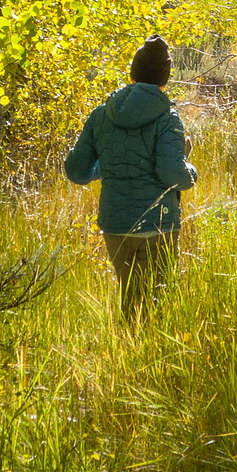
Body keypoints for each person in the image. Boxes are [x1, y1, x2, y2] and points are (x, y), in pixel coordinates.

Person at [64, 34, 196, 317]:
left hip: (116, 225)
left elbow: (76, 171)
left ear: (132, 75)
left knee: (131, 298)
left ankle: (126, 350)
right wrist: (191, 169)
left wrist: (109, 165)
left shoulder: (101, 114)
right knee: (156, 302)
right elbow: (173, 174)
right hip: (158, 224)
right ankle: (145, 354)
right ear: (164, 80)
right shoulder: (168, 118)